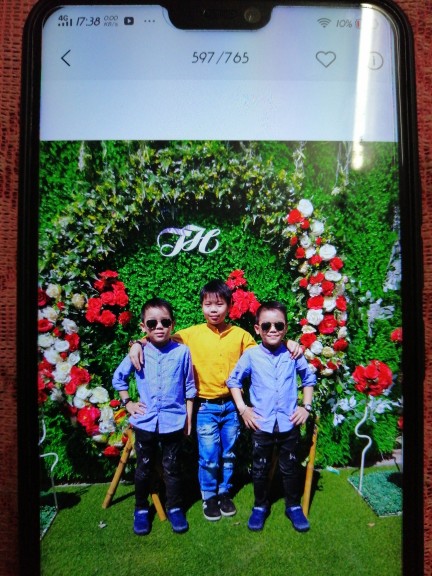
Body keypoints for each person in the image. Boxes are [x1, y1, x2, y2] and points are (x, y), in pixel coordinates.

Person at [129, 280, 302, 522]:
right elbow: (158, 334)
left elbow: (267, 346)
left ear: (229, 306)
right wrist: (137, 343)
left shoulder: (241, 335)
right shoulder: (189, 335)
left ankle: (224, 492)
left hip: (231, 407)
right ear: (201, 306)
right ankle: (209, 495)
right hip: (205, 407)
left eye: (219, 304)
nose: (213, 310)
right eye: (208, 304)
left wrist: (289, 342)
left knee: (229, 454)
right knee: (209, 455)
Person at [227, 301, 316, 532]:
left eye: (278, 325)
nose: (273, 330)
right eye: (266, 325)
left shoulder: (293, 354)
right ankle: (260, 506)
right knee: (260, 468)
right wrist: (243, 409)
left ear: (286, 328)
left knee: (290, 466)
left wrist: (306, 407)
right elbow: (233, 381)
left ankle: (293, 506)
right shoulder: (251, 356)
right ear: (257, 329)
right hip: (262, 424)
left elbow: (308, 379)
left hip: (288, 423)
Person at [113, 297, 196, 535]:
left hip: (174, 421)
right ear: (143, 326)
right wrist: (128, 403)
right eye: (152, 323)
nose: (159, 327)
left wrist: (188, 417)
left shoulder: (182, 352)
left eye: (165, 322)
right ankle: (141, 509)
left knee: (172, 466)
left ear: (173, 324)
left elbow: (190, 387)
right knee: (144, 467)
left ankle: (175, 508)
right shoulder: (138, 352)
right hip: (145, 421)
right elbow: (119, 378)